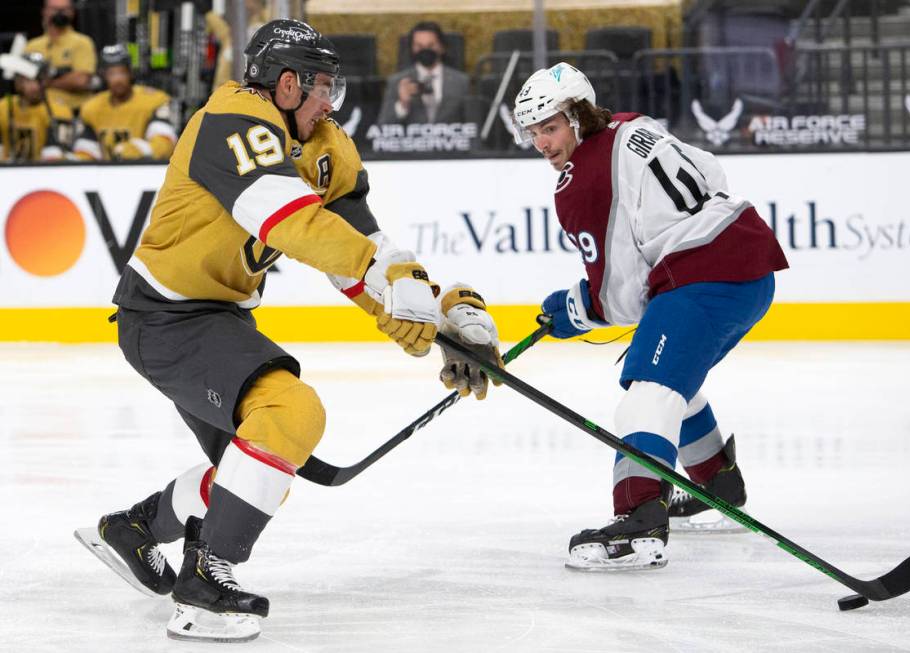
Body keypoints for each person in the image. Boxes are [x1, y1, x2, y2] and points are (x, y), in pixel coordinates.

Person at [75, 20, 502, 642]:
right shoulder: (230, 118)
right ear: (285, 83)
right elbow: (288, 221)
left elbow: (365, 249)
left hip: (216, 316)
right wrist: (386, 276)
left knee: (256, 465)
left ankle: (134, 527)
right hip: (165, 316)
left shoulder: (327, 145)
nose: (332, 101)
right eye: (322, 86)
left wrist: (439, 321)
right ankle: (202, 586)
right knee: (290, 413)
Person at [513, 63, 788, 571]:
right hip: (751, 265)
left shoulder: (582, 184)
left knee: (647, 392)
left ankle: (640, 522)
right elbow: (710, 172)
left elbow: (620, 298)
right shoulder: (631, 123)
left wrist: (573, 308)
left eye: (549, 128)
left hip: (703, 277)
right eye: (533, 133)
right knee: (669, 376)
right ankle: (716, 481)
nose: (542, 144)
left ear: (576, 116)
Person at [73, 44, 177, 161]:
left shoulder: (154, 100)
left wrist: (138, 150)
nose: (118, 80)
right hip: (105, 174)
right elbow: (86, 150)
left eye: (122, 73)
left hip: (143, 171)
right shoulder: (91, 107)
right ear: (104, 77)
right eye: (112, 74)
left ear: (130, 73)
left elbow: (164, 144)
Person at [378, 21, 469, 125]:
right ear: (412, 48)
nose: (425, 50)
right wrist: (403, 104)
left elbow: (471, 124)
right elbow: (382, 126)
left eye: (431, 45)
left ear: (442, 47)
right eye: (419, 46)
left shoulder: (461, 82)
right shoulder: (397, 82)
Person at [24, 0, 97, 112]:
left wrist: (46, 83)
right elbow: (24, 83)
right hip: (38, 112)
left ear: (72, 12)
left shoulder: (83, 42)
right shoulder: (32, 46)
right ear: (45, 11)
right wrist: (67, 77)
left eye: (64, 9)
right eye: (55, 9)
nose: (59, 13)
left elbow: (81, 81)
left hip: (74, 112)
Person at [0, 52, 74, 162]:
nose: (35, 85)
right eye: (28, 79)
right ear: (17, 80)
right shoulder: (3, 106)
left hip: (44, 173)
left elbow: (57, 157)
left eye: (39, 79)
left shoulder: (59, 111)